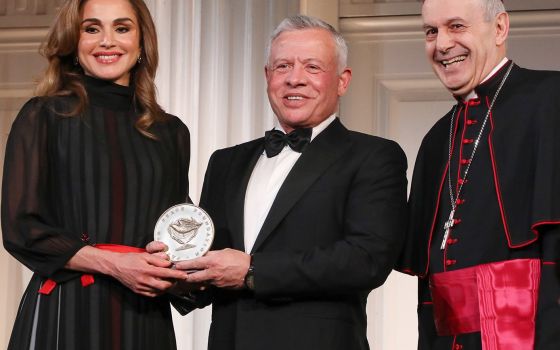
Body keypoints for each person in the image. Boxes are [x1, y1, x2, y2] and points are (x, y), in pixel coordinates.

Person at [149, 14, 408, 350]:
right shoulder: (225, 162)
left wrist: (253, 270)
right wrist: (176, 272)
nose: (295, 79)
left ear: (342, 81)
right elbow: (212, 267)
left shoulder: (374, 156)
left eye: (312, 67)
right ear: (267, 76)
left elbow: (366, 260)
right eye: (283, 66)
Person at [1, 0, 191, 349]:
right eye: (92, 28)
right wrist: (115, 264)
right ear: (74, 42)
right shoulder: (43, 117)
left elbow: (177, 225)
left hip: (143, 316)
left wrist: (178, 270)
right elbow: (22, 229)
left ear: (141, 43)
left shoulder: (171, 133)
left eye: (122, 28)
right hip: (67, 310)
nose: (107, 41)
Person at [397, 0, 560, 349]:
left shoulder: (551, 100)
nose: (441, 44)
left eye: (456, 26)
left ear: (499, 28)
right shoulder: (438, 137)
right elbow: (429, 286)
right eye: (431, 31)